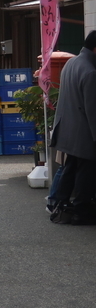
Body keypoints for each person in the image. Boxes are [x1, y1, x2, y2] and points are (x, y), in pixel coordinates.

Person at [48, 30, 96, 224]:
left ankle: (59, 204)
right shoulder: (91, 72)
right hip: (83, 132)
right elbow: (93, 110)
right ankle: (81, 211)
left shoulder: (72, 63)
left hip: (67, 128)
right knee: (87, 171)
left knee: (69, 167)